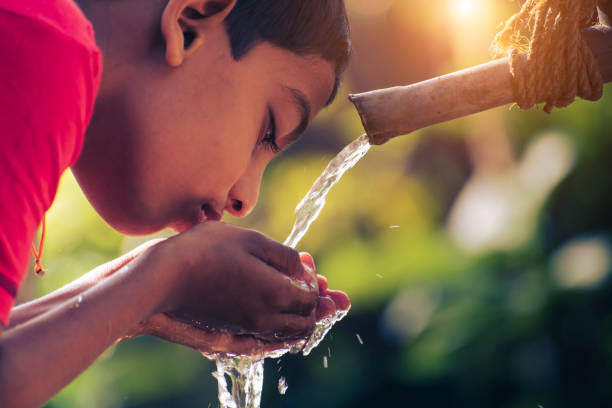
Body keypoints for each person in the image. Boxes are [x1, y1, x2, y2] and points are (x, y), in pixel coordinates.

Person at [0, 0, 351, 406]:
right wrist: (167, 275)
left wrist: (143, 292)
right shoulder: (41, 47)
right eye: (268, 132)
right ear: (191, 20)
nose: (246, 199)